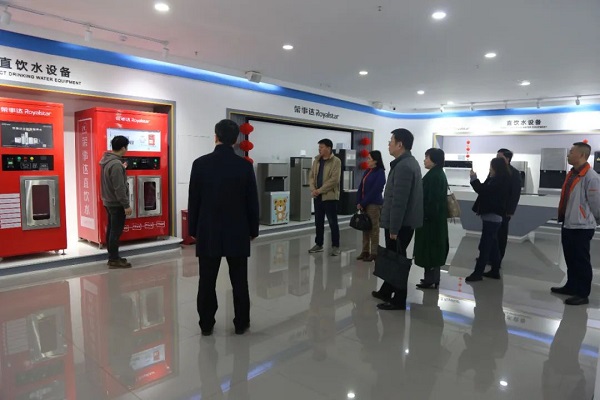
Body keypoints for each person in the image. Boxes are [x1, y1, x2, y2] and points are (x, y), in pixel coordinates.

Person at [187, 119, 259, 336]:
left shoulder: (200, 164)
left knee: (207, 280)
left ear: (215, 137)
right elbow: (252, 201)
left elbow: (194, 200)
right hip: (237, 230)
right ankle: (241, 323)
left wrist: (193, 229)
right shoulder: (244, 166)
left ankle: (206, 324)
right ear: (236, 140)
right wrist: (253, 230)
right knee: (239, 280)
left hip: (208, 230)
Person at [372, 128, 423, 310]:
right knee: (394, 258)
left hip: (400, 224)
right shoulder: (406, 163)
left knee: (398, 261)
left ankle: (399, 300)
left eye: (391, 141)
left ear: (400, 144)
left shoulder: (404, 167)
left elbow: (399, 202)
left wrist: (394, 229)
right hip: (402, 223)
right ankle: (386, 290)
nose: (389, 144)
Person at [551, 142, 600, 305]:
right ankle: (571, 286)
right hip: (568, 223)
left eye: (571, 152)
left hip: (582, 226)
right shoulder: (572, 173)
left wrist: (597, 219)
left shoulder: (591, 177)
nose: (568, 154)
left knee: (581, 260)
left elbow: (596, 202)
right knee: (570, 258)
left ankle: (582, 293)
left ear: (581, 155)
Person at [466, 158, 510, 282]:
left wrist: (473, 178)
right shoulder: (495, 179)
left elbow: (483, 190)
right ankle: (495, 270)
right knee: (493, 245)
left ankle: (478, 273)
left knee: (485, 246)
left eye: (491, 166)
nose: (490, 169)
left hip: (492, 217)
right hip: (492, 217)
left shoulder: (499, 181)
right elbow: (483, 189)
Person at [413, 148, 449, 289]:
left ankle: (430, 279)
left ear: (434, 160)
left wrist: (425, 215)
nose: (424, 160)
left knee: (430, 249)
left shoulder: (434, 176)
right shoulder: (438, 174)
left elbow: (432, 200)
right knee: (434, 249)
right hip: (435, 220)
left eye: (427, 157)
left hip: (430, 221)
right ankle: (433, 278)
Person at [100, 135, 133, 269]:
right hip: (116, 203)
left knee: (111, 230)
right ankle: (113, 259)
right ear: (123, 148)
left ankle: (113, 257)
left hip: (108, 201)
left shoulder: (107, 161)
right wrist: (126, 205)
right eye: (127, 147)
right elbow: (119, 188)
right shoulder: (116, 165)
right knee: (115, 232)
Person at [308, 139, 342, 256]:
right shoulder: (316, 160)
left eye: (322, 147)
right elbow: (311, 176)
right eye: (319, 147)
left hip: (329, 197)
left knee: (333, 222)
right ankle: (319, 244)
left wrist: (319, 190)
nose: (319, 149)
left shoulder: (336, 161)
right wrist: (313, 189)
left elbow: (334, 180)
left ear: (328, 148)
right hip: (317, 197)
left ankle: (335, 246)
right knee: (318, 221)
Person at [356, 150, 386, 262]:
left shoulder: (380, 173)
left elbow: (375, 190)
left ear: (375, 161)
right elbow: (361, 187)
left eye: (369, 158)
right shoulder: (367, 171)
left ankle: (374, 252)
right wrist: (358, 201)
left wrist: (363, 202)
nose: (367, 160)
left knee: (373, 229)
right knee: (365, 227)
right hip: (364, 203)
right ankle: (365, 251)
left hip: (374, 204)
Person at [495, 148, 522, 263]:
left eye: (500, 157)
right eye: (496, 157)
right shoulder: (495, 171)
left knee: (501, 234)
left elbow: (515, 193)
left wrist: (510, 210)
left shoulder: (514, 173)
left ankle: (498, 258)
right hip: (493, 208)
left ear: (507, 159)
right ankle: (490, 256)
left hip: (504, 210)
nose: (497, 159)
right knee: (492, 234)